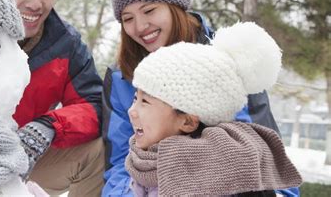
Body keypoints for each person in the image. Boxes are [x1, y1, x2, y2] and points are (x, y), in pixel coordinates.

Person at [102, 0, 299, 196]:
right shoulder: (121, 77)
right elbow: (118, 163)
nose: (140, 27)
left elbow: (261, 154)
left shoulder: (225, 63)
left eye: (149, 10)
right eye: (127, 18)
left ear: (175, 6)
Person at [125, 21, 302, 196]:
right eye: (135, 98)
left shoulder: (216, 184)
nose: (131, 111)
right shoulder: (145, 164)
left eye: (145, 102)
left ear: (187, 121)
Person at [0, 0, 104, 196]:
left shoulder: (66, 44)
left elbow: (94, 104)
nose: (35, 3)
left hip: (25, 162)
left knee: (99, 149)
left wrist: (50, 126)